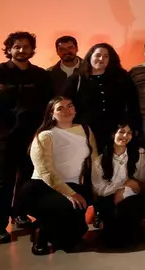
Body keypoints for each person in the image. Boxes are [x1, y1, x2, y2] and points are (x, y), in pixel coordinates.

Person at [0, 32, 53, 243]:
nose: (22, 50)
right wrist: (27, 92)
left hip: (32, 134)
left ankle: (20, 214)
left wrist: (11, 90)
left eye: (26, 46)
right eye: (17, 46)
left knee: (27, 177)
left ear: (32, 49)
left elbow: (45, 102)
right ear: (9, 49)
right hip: (5, 134)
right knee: (3, 181)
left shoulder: (41, 74)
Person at [20, 96, 96, 255]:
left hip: (73, 185)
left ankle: (58, 232)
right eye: (60, 108)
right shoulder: (45, 135)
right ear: (51, 114)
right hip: (43, 187)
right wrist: (70, 194)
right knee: (67, 209)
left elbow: (94, 159)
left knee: (74, 236)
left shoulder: (85, 129)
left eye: (70, 106)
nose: (67, 110)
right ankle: (41, 230)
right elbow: (46, 172)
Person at [67, 43, 141, 152]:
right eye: (98, 55)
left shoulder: (121, 77)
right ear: (90, 57)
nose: (101, 59)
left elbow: (133, 103)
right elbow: (66, 103)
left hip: (116, 131)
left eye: (106, 56)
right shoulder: (77, 78)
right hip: (86, 131)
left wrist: (135, 126)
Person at [91, 123, 145, 247]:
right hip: (108, 197)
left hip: (132, 196)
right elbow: (98, 188)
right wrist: (120, 188)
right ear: (113, 134)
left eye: (129, 133)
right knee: (111, 220)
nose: (125, 136)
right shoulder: (100, 160)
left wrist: (125, 190)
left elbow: (140, 183)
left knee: (126, 209)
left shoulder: (139, 154)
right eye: (121, 132)